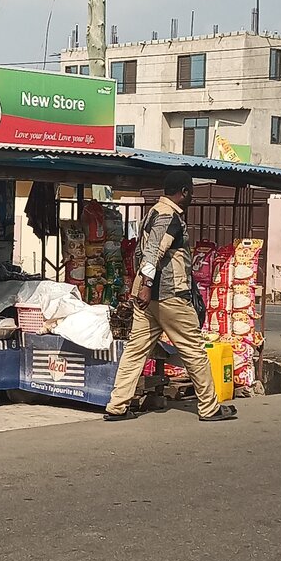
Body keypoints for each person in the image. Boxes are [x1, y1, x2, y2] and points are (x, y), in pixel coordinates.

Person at [104, 170, 237, 424]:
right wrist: (147, 285)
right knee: (193, 350)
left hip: (147, 300)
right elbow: (154, 251)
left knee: (135, 350)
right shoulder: (169, 217)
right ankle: (209, 408)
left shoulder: (153, 212)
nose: (192, 197)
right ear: (184, 191)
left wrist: (141, 287)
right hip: (169, 296)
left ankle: (117, 406)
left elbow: (143, 251)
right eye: (191, 192)